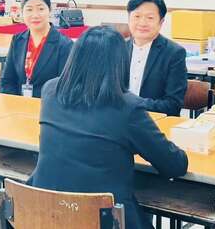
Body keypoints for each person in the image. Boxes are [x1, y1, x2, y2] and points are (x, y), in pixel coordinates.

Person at [29, 26, 188, 229]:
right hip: (103, 219)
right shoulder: (127, 107)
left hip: (46, 215)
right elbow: (174, 165)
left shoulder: (51, 91)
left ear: (75, 56)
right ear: (120, 63)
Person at [0, 0, 73, 98]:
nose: (35, 15)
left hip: (48, 106)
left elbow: (65, 89)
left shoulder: (65, 45)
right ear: (22, 12)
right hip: (18, 105)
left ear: (49, 10)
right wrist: (15, 103)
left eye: (40, 9)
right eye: (29, 10)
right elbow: (7, 80)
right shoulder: (17, 40)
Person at [126, 0, 187, 116]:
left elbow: (173, 105)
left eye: (150, 18)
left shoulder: (174, 53)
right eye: (137, 16)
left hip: (153, 121)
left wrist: (133, 104)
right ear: (128, 19)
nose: (142, 23)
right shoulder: (117, 48)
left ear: (161, 22)